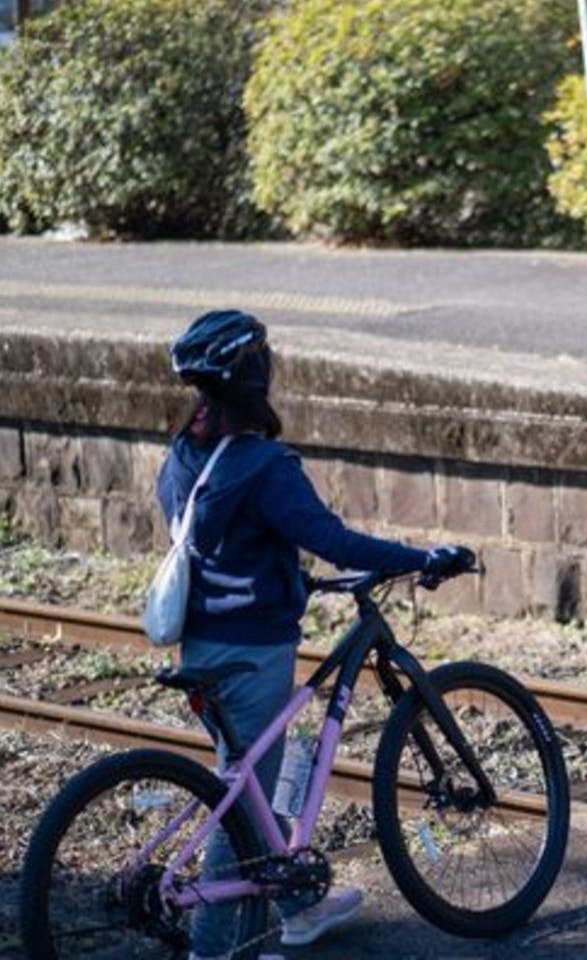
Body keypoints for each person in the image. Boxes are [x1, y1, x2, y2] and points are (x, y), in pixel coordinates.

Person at [158, 311, 474, 960]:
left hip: (202, 643)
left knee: (254, 781)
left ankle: (299, 906)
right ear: (256, 377)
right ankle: (214, 949)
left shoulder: (187, 451)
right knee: (246, 809)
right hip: (252, 653)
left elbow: (223, 544)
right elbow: (335, 541)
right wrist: (419, 557)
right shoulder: (264, 465)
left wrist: (284, 572)